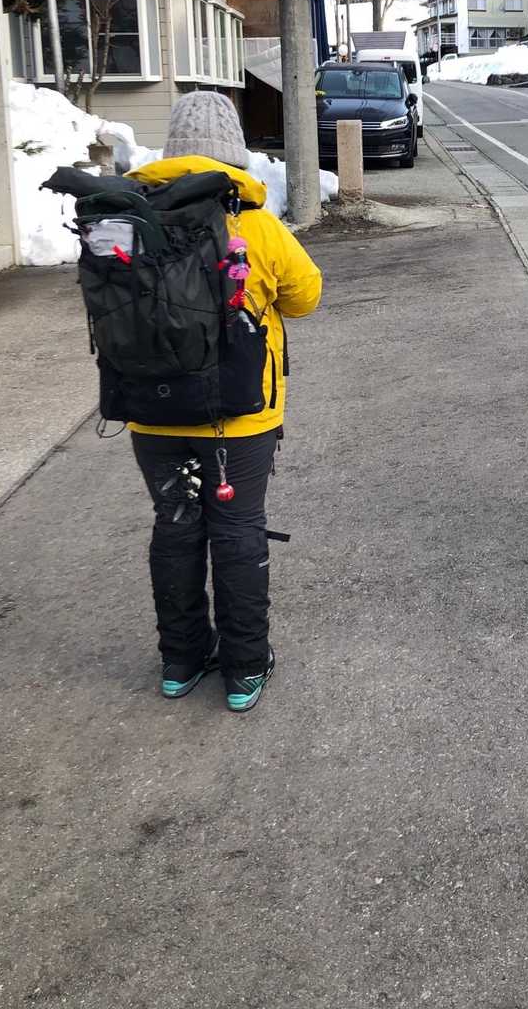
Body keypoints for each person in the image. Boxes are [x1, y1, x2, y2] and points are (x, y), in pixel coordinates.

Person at [129, 92, 322, 710]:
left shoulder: (128, 219)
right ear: (235, 155)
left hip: (151, 414)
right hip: (238, 418)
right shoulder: (254, 223)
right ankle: (244, 669)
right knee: (236, 530)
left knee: (175, 525)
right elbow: (305, 297)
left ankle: (181, 661)